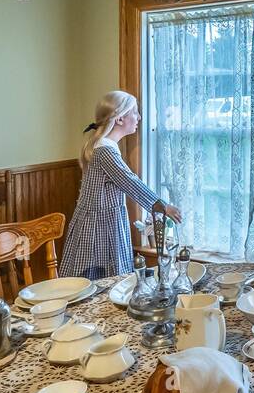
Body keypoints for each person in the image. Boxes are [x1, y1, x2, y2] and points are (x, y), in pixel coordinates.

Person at [59, 91, 181, 280]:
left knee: (105, 279)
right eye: (134, 112)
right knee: (100, 281)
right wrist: (162, 206)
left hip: (104, 220)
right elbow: (130, 182)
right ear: (120, 119)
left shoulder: (103, 146)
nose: (139, 117)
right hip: (98, 228)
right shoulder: (105, 151)